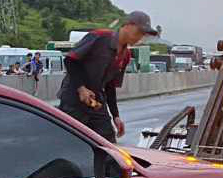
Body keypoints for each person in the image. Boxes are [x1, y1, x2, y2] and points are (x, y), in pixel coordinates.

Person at [57, 10, 158, 142]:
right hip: (73, 100)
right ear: (128, 25)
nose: (139, 37)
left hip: (96, 102)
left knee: (107, 143)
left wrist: (116, 116)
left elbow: (110, 86)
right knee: (72, 142)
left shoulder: (125, 56)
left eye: (143, 35)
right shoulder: (99, 37)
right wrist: (81, 88)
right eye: (139, 32)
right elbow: (70, 60)